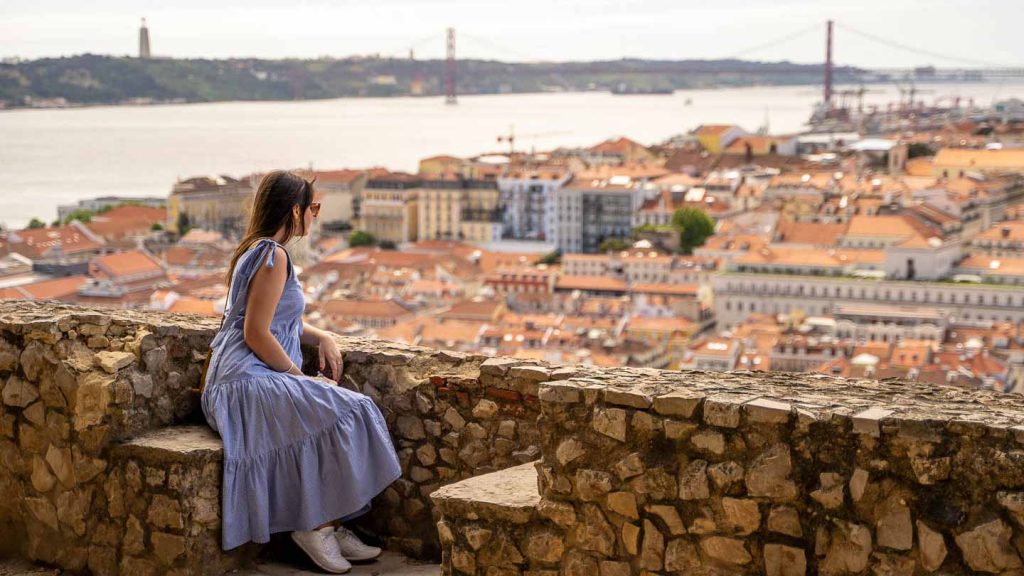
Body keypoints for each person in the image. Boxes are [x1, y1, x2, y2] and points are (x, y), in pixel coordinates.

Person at [201, 171, 400, 574]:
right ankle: (316, 527)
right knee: (353, 409)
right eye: (314, 207)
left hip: (237, 378)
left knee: (338, 413)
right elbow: (256, 333)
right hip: (246, 380)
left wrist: (321, 335)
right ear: (295, 211)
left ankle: (331, 522)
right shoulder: (273, 256)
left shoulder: (256, 250)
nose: (316, 215)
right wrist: (298, 375)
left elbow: (278, 320)